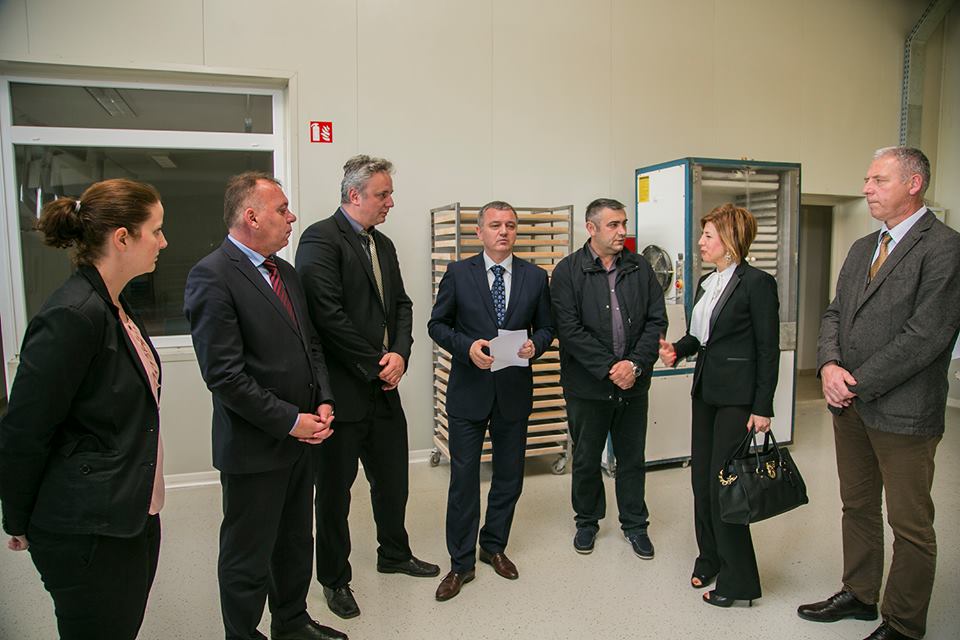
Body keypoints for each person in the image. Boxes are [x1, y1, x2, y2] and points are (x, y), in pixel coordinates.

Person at [798, 147, 960, 640]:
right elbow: (834, 313)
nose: (866, 188)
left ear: (914, 183)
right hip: (850, 408)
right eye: (867, 180)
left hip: (904, 412)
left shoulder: (945, 248)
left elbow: (926, 335)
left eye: (878, 180)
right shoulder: (863, 246)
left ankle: (904, 623)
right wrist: (828, 365)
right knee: (858, 505)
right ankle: (860, 593)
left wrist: (855, 382)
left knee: (910, 524)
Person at [0, 179, 167, 639]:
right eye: (155, 230)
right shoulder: (73, 315)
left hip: (128, 510)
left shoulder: (116, 304)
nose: (163, 242)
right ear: (122, 238)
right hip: (87, 527)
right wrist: (17, 517)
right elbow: (26, 428)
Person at [184, 172, 345, 640]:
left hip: (301, 440)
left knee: (295, 542)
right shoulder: (212, 275)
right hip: (255, 446)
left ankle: (291, 622)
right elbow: (225, 377)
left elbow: (310, 345)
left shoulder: (286, 273)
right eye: (282, 209)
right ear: (251, 217)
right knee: (248, 553)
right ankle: (243, 634)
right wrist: (290, 420)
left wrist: (324, 398)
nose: (292, 217)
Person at [295, 155, 439, 620]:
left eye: (389, 193)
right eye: (383, 194)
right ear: (354, 195)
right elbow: (326, 315)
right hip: (340, 393)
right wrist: (378, 363)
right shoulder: (320, 239)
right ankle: (335, 579)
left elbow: (402, 305)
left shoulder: (384, 244)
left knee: (393, 481)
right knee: (334, 494)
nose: (390, 202)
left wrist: (401, 354)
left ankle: (393, 553)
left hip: (383, 389)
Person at [427, 200, 555, 601]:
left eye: (510, 225)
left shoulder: (535, 277)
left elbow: (547, 327)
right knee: (464, 480)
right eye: (495, 225)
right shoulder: (458, 274)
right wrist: (467, 348)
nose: (504, 231)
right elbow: (437, 324)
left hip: (513, 392)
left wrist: (536, 345)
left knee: (509, 477)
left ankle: (494, 545)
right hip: (469, 391)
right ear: (479, 232)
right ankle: (461, 563)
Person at [658, 203, 779, 608]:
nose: (700, 242)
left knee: (724, 485)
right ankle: (709, 557)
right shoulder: (707, 282)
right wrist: (677, 350)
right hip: (706, 393)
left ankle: (739, 579)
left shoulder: (757, 284)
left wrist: (763, 406)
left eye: (708, 235)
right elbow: (700, 338)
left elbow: (767, 349)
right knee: (701, 483)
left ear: (729, 240)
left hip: (738, 399)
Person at [550, 198, 667, 558]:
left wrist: (634, 365)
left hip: (634, 384)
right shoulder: (568, 271)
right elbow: (569, 330)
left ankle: (635, 525)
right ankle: (587, 522)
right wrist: (610, 368)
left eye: (624, 223)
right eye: (613, 225)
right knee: (586, 458)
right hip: (587, 386)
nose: (622, 232)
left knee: (632, 458)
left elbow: (656, 321)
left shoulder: (640, 267)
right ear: (591, 228)